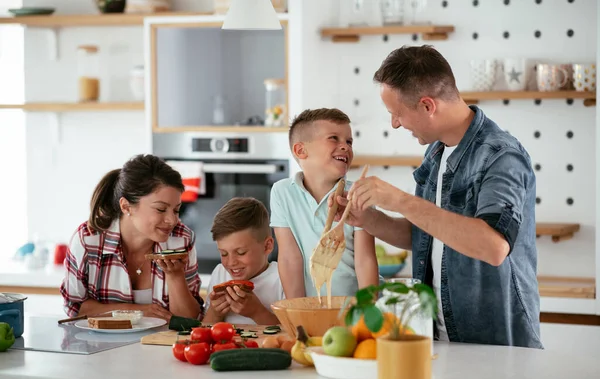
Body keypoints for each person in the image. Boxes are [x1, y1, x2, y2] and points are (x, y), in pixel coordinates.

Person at [330, 45, 542, 349]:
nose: (395, 124)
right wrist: (371, 220)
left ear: (428, 106)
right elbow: (428, 235)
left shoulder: (501, 155)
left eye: (397, 114)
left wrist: (401, 200)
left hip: (495, 343)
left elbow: (493, 246)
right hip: (439, 338)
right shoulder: (437, 151)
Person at [60, 154, 204, 320]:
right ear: (126, 206)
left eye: (176, 210)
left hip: (160, 345)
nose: (172, 220)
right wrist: (136, 311)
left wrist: (175, 276)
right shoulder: (88, 239)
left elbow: (190, 320)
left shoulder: (181, 239)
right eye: (161, 209)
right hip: (99, 344)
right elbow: (75, 308)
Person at [270, 108, 381, 299]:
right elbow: (289, 258)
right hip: (310, 307)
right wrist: (298, 311)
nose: (345, 146)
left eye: (349, 141)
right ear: (301, 150)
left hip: (353, 308)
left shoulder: (359, 193)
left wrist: (366, 310)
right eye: (333, 138)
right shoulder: (282, 193)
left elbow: (365, 260)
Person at [203, 197, 283, 325]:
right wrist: (215, 312)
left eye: (241, 253)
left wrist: (257, 312)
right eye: (223, 254)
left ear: (267, 246)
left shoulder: (282, 277)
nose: (231, 262)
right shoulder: (220, 273)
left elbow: (291, 333)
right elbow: (205, 329)